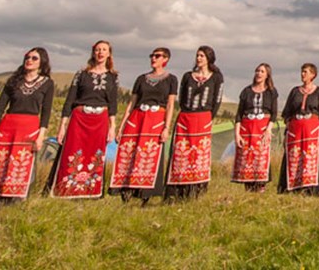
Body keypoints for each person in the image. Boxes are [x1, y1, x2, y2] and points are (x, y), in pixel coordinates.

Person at [0, 47, 55, 202]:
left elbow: (46, 112)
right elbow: (0, 108)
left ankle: (16, 201)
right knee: (1, 162)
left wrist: (41, 136)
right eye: (27, 57)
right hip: (8, 125)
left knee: (23, 164)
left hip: (30, 127)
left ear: (42, 62)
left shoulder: (47, 84)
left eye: (34, 58)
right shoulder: (14, 81)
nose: (29, 60)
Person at [50, 40, 118, 199]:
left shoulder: (112, 77)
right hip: (79, 118)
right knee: (72, 152)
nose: (100, 52)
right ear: (93, 53)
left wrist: (112, 127)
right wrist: (62, 126)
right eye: (97, 49)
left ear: (109, 54)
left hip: (100, 120)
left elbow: (112, 104)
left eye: (104, 50)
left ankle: (90, 191)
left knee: (96, 155)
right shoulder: (81, 74)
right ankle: (67, 190)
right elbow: (69, 100)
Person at [110, 47, 177, 205]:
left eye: (157, 56)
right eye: (152, 56)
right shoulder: (141, 79)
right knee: (130, 153)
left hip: (156, 119)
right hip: (137, 117)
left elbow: (170, 104)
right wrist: (122, 126)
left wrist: (167, 127)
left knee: (149, 155)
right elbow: (132, 103)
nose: (153, 58)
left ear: (165, 59)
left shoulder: (171, 79)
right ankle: (125, 193)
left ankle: (145, 196)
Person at [166, 45, 224, 200]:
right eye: (197, 55)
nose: (198, 58)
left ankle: (196, 190)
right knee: (181, 154)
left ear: (209, 58)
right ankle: (177, 191)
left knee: (199, 155)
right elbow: (182, 97)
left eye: (202, 56)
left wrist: (209, 118)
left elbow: (217, 99)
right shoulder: (187, 76)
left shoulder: (216, 77)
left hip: (203, 117)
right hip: (186, 116)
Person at [278, 63, 319, 194]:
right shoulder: (295, 91)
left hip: (311, 129)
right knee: (293, 156)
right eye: (302, 71)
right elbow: (288, 113)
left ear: (313, 75)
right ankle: (289, 188)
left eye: (305, 72)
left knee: (309, 157)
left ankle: (309, 189)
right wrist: (286, 133)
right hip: (295, 129)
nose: (302, 74)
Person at [232, 63, 279, 190]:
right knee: (247, 159)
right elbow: (239, 114)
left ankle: (260, 189)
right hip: (246, 129)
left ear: (267, 75)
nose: (258, 73)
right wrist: (237, 134)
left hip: (262, 129)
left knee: (260, 158)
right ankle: (248, 189)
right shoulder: (246, 91)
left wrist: (268, 130)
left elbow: (274, 114)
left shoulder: (271, 92)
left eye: (262, 71)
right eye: (257, 71)